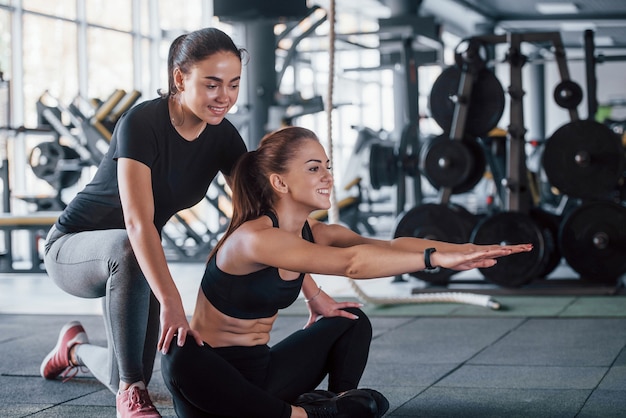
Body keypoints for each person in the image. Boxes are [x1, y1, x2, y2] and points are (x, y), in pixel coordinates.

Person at [160, 126, 533, 418]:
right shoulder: (254, 239)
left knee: (350, 319)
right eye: (313, 168)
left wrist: (463, 251)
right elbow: (353, 263)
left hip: (262, 376)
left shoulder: (316, 233)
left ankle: (338, 401)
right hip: (215, 387)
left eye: (327, 167)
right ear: (280, 182)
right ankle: (310, 414)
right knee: (181, 355)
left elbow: (388, 247)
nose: (327, 176)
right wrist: (434, 260)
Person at [40, 27, 249, 418]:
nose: (225, 97)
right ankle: (130, 394)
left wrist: (311, 289)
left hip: (132, 259)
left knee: (130, 363)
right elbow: (137, 224)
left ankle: (73, 349)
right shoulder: (141, 122)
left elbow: (259, 213)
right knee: (134, 372)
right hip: (71, 248)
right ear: (180, 78)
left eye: (234, 85)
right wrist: (172, 301)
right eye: (213, 84)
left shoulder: (223, 136)